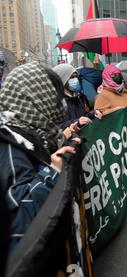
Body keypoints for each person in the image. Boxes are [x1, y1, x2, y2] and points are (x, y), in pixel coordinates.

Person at [0, 63, 81, 253]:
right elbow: (18, 223)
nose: (60, 103)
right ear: (35, 98)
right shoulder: (9, 144)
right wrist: (51, 172)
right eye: (54, 95)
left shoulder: (35, 134)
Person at [53, 64, 102, 129]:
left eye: (76, 77)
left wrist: (92, 114)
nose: (75, 80)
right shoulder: (57, 101)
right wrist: (77, 122)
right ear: (63, 80)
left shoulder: (77, 97)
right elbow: (55, 127)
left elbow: (82, 117)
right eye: (72, 77)